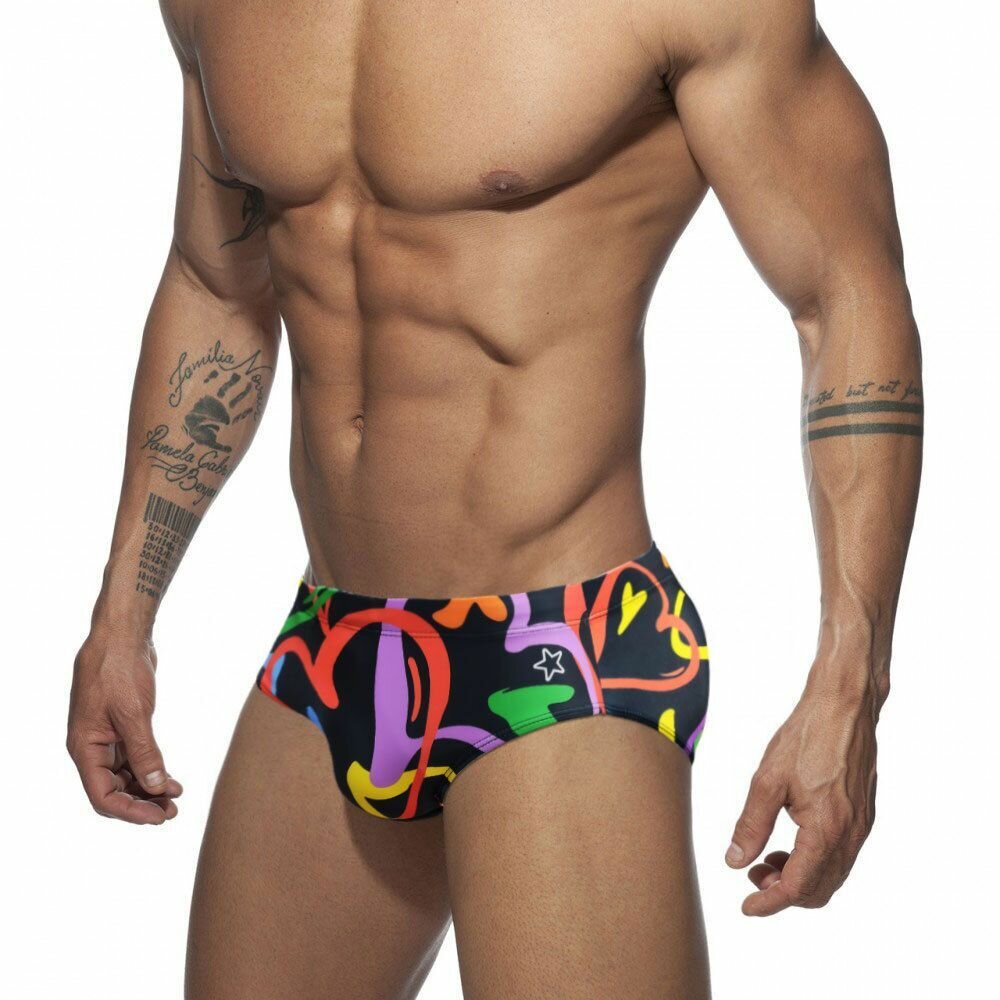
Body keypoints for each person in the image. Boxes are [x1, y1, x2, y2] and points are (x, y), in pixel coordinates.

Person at [67, 0, 922, 997]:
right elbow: (216, 285)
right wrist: (122, 615)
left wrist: (849, 684)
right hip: (332, 643)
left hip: (567, 647)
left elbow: (846, 294)